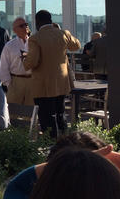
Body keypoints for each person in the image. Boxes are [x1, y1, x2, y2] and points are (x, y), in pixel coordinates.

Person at [25, 10, 80, 138]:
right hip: (61, 83)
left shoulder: (35, 38)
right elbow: (76, 46)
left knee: (46, 117)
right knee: (60, 114)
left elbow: (32, 62)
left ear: (37, 22)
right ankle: (65, 141)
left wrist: (24, 60)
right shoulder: (63, 34)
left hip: (43, 86)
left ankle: (51, 145)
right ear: (51, 20)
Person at [0, 18, 33, 105]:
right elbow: (3, 68)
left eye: (26, 24)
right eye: (21, 26)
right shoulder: (9, 46)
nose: (25, 27)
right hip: (15, 82)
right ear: (15, 30)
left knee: (31, 113)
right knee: (14, 114)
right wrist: (9, 85)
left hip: (32, 81)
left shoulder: (34, 43)